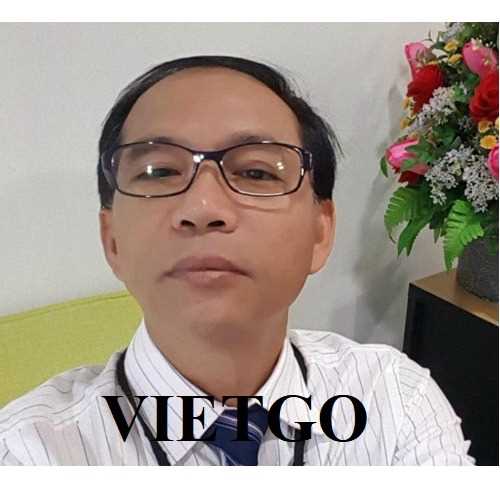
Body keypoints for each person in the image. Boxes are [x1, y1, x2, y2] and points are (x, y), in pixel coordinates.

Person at [0, 55, 475, 466]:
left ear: (320, 232)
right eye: (159, 171)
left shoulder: (394, 402)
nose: (203, 207)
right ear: (113, 241)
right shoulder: (27, 454)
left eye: (256, 172)